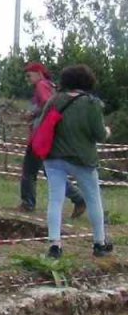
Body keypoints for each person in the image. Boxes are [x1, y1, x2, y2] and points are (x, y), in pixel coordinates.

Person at [43, 64, 113, 260]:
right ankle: (99, 243)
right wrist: (107, 131)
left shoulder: (54, 101)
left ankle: (55, 245)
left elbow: (42, 125)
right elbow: (99, 135)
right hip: (82, 159)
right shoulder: (92, 104)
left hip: (54, 157)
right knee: (93, 199)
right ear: (87, 81)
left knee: (55, 200)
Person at [20, 61, 85, 217]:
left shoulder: (41, 85)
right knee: (50, 172)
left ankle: (28, 204)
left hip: (40, 137)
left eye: (29, 75)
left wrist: (32, 114)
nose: (28, 79)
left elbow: (49, 104)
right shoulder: (51, 85)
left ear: (39, 73)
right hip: (49, 136)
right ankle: (79, 198)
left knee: (29, 171)